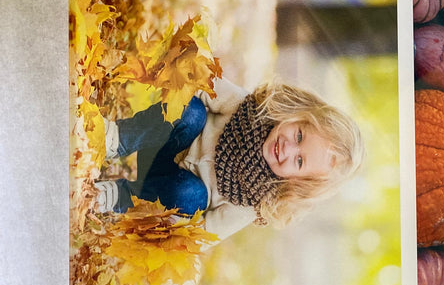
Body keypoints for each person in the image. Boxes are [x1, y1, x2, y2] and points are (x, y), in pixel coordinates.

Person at [93, 76, 365, 244]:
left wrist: (171, 226)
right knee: (192, 113)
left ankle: (122, 195)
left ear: (296, 183)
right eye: (299, 135)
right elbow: (203, 86)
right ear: (297, 115)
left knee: (192, 196)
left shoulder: (250, 201)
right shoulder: (248, 110)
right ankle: (119, 139)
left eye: (300, 162)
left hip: (160, 190)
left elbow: (204, 235)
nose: (288, 148)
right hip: (157, 143)